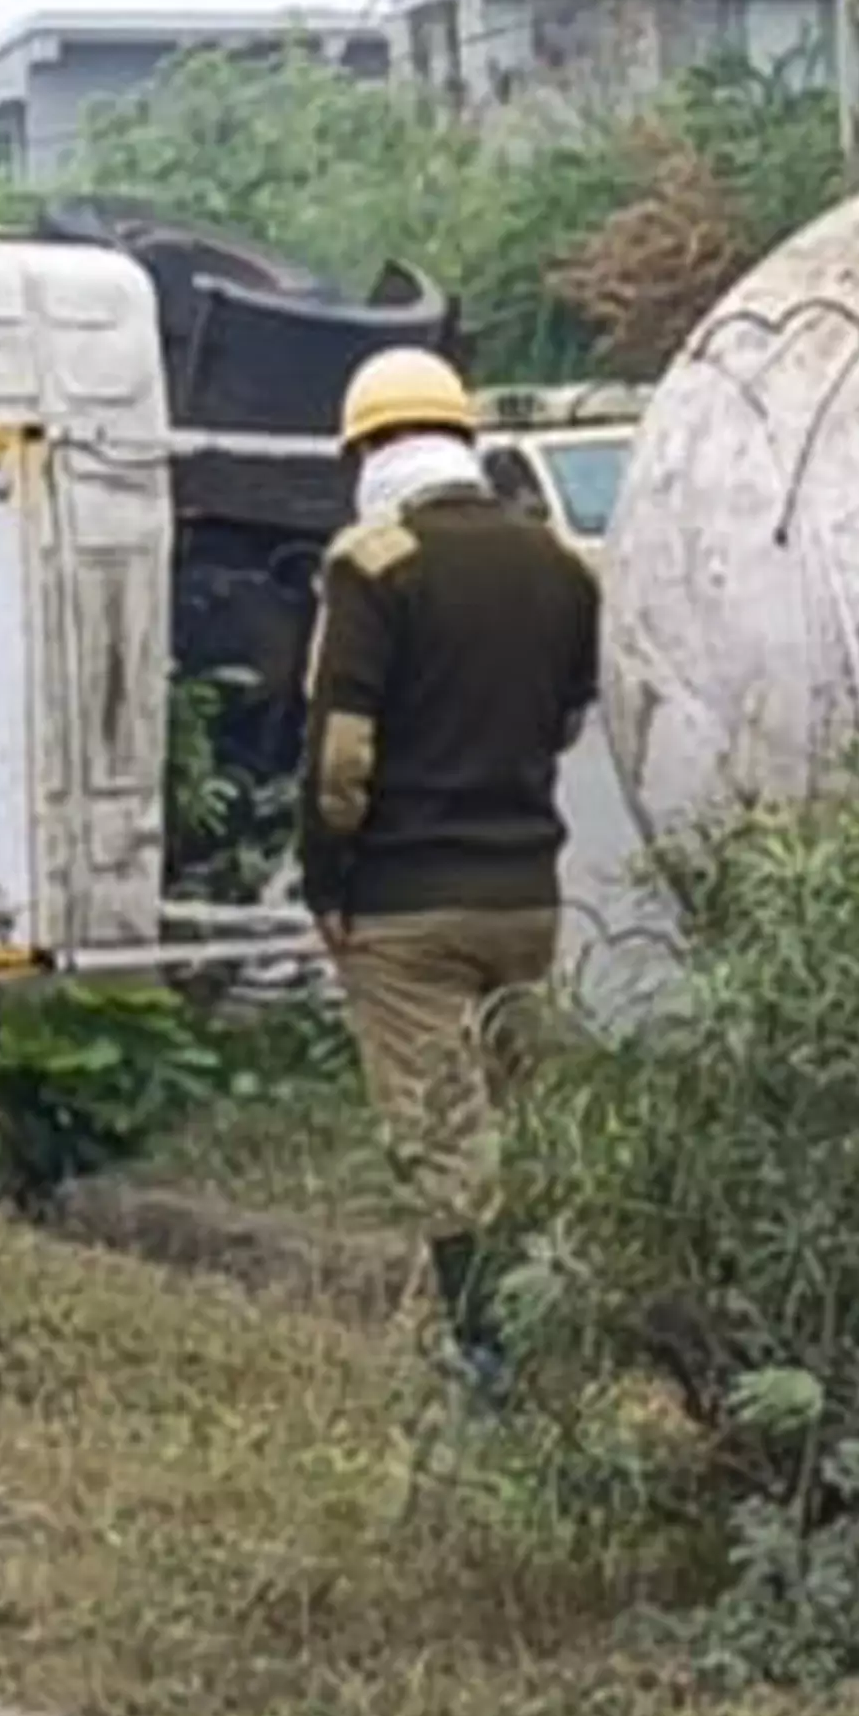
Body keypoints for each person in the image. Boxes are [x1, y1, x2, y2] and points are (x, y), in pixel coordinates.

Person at [300, 346, 604, 1386]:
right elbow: (566, 716)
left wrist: (326, 882)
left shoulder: (373, 565)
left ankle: (489, 1357)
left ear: (375, 448)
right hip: (526, 893)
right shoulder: (561, 564)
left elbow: (342, 756)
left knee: (442, 1137)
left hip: (404, 907)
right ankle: (555, 1313)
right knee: (527, 1119)